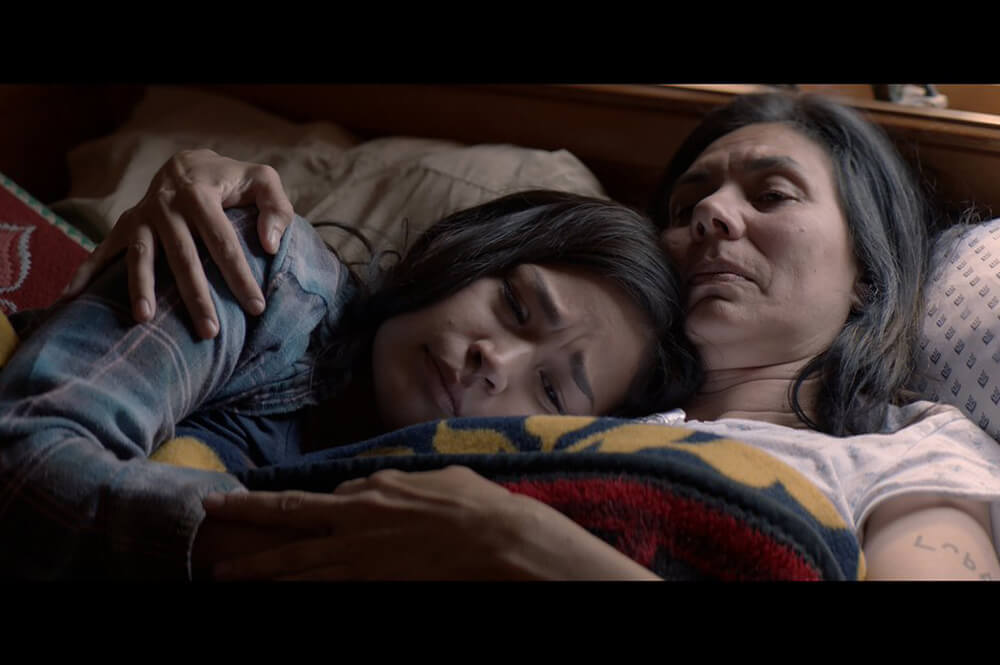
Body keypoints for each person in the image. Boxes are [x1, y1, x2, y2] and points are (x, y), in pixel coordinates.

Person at [82, 91, 1000, 581]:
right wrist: (207, 194)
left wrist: (533, 553)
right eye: (688, 201)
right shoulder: (545, 371)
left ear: (869, 269)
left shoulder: (901, 457)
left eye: (772, 194)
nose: (713, 216)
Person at [0, 189, 701, 579]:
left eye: (551, 391)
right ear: (468, 252)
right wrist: (306, 547)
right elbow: (24, 453)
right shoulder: (262, 273)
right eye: (515, 305)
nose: (495, 360)